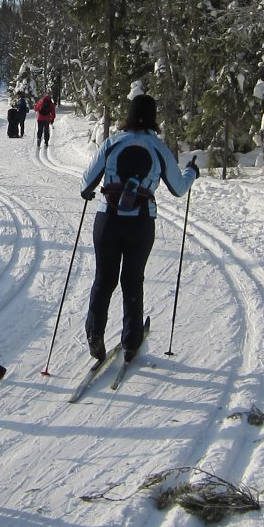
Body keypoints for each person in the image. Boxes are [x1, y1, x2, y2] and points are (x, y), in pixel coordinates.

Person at [78, 94, 197, 363]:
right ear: (153, 118)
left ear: (128, 116)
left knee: (104, 278)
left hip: (107, 219)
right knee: (132, 280)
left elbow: (85, 184)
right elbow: (178, 188)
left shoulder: (112, 142)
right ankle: (131, 342)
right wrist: (192, 172)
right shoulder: (158, 147)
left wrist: (95, 188)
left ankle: (94, 332)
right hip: (141, 223)